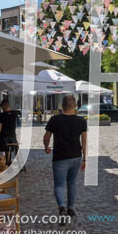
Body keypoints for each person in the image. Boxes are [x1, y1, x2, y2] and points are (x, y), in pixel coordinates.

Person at [44, 95, 87, 225]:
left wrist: (46, 147)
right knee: (72, 183)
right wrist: (85, 158)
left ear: (62, 105)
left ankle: (62, 206)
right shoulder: (81, 121)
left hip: (60, 157)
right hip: (76, 156)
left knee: (59, 184)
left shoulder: (54, 120)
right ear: (75, 106)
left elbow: (46, 137)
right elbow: (84, 140)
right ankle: (71, 208)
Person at [0, 100, 20, 165]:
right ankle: (19, 163)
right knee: (15, 147)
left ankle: (8, 161)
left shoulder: (1, 115)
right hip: (12, 135)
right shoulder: (14, 113)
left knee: (6, 148)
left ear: (3, 106)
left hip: (4, 135)